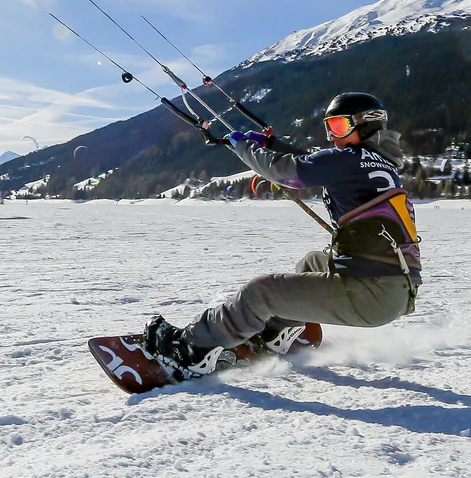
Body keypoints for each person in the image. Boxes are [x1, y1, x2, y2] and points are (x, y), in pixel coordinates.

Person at [144, 92, 421, 373]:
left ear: (366, 124)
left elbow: (286, 171)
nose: (332, 137)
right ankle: (277, 332)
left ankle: (190, 350)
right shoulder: (378, 162)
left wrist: (242, 146)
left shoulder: (350, 159)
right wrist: (272, 144)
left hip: (373, 294)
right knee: (313, 262)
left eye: (338, 126)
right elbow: (315, 163)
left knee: (259, 293)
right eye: (329, 128)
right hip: (395, 287)